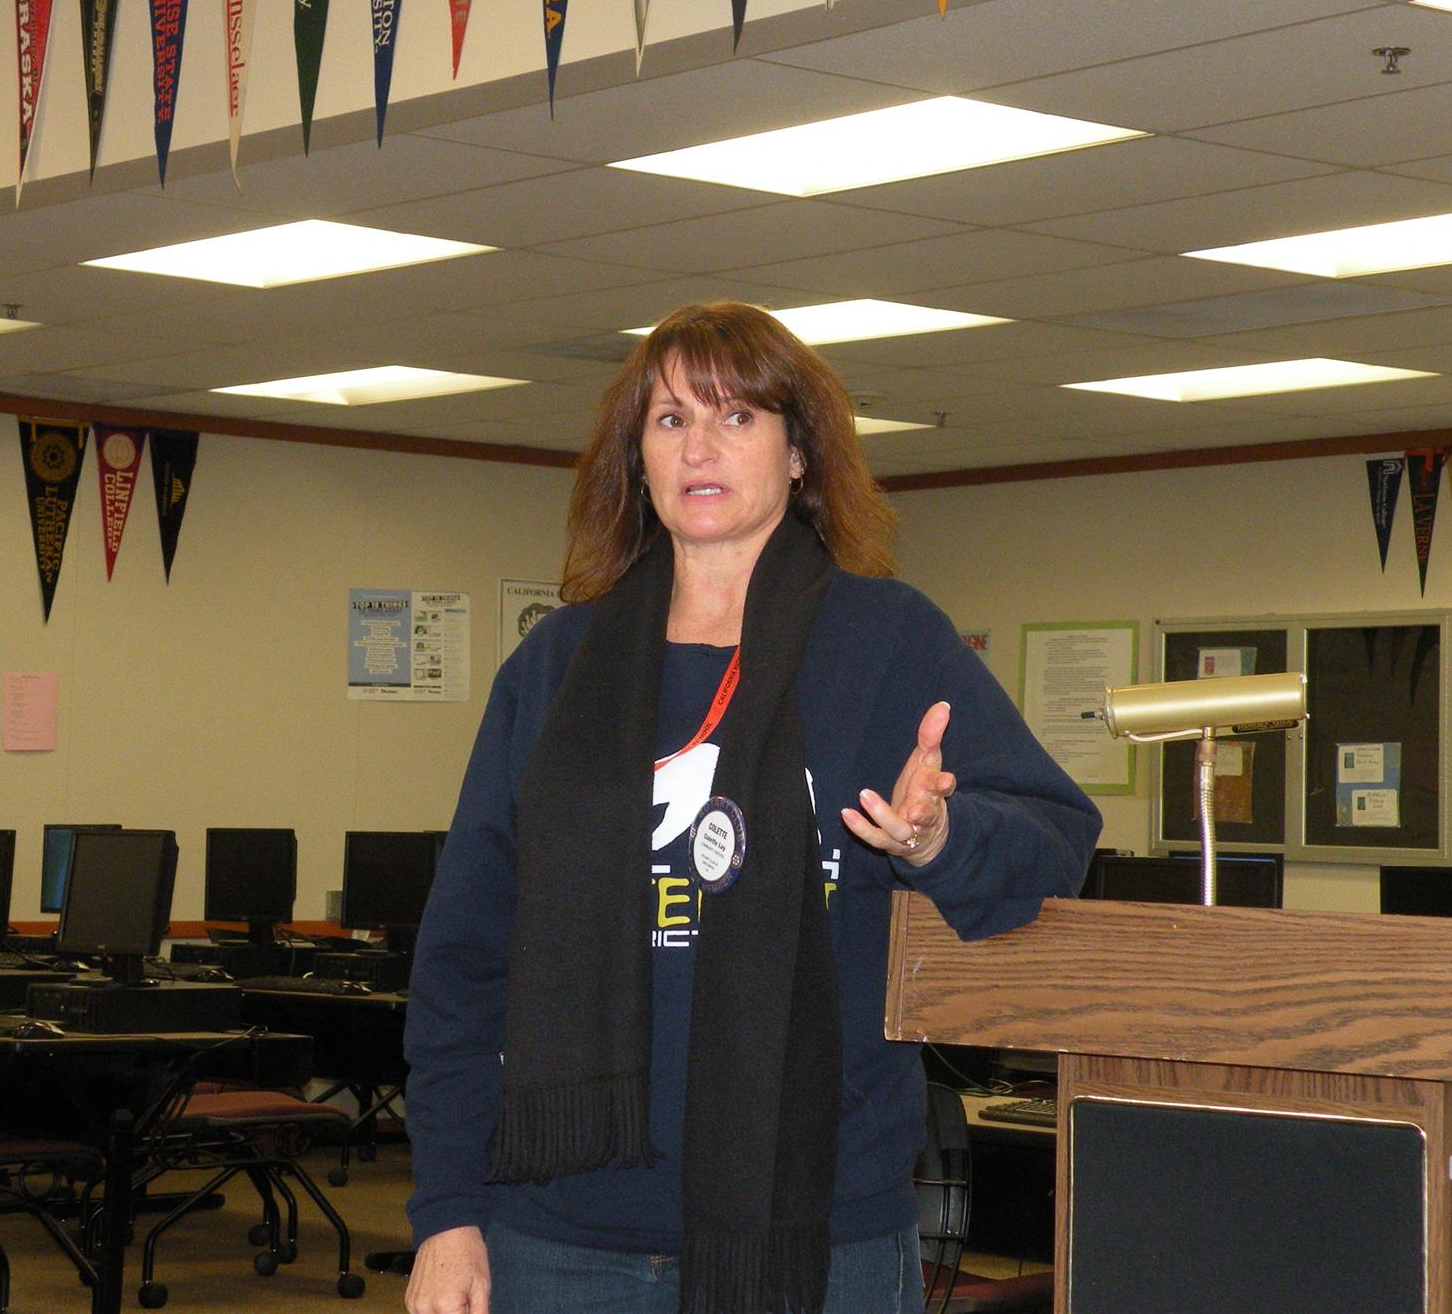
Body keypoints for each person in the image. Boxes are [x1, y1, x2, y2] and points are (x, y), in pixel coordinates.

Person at [404, 301, 1100, 1314]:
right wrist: (447, 1211)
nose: (701, 447)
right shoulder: (556, 665)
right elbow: (463, 958)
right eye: (671, 419)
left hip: (818, 1228)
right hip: (560, 1230)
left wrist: (940, 837)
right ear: (636, 457)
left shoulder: (888, 642)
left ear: (799, 452)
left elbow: (1055, 842)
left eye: (737, 416)